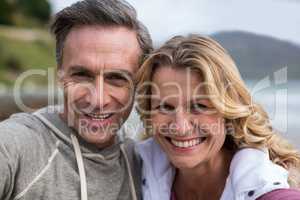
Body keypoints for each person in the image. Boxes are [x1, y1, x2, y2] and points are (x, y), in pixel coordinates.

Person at [0, 0, 152, 200]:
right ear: (60, 76)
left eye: (117, 78)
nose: (97, 100)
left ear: (139, 84)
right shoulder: (18, 144)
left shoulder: (145, 163)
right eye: (82, 75)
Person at [135, 35, 300, 200]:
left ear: (229, 112)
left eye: (200, 106)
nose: (180, 127)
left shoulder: (268, 190)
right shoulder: (135, 172)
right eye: (164, 107)